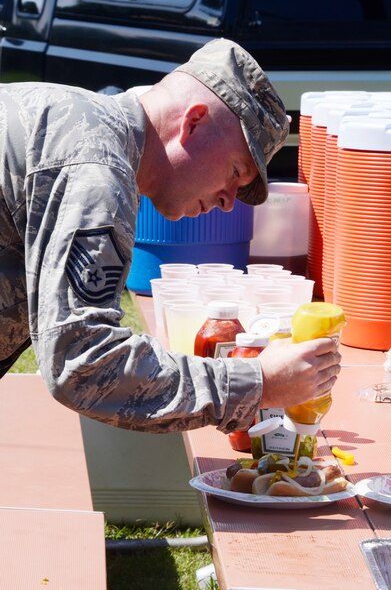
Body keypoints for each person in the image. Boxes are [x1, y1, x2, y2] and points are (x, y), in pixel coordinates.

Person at [0, 38, 341, 433]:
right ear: (193, 122)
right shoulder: (96, 167)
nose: (230, 202)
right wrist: (258, 382)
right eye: (234, 171)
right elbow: (83, 362)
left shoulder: (80, 123)